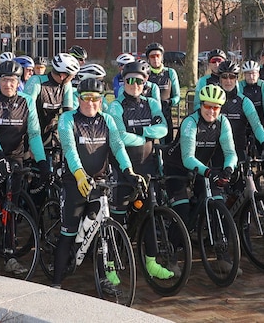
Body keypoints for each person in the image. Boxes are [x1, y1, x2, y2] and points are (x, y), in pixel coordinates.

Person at [51, 78, 138, 290]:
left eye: (96, 99)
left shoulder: (107, 120)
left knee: (101, 233)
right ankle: (55, 281)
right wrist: (80, 174)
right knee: (68, 234)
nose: (91, 103)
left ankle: (103, 278)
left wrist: (129, 171)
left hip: (99, 183)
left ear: (101, 101)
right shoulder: (67, 119)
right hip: (74, 182)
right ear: (79, 99)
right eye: (86, 99)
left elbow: (118, 147)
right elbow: (70, 149)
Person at [0, 60, 49, 274]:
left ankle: (10, 255)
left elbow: (34, 135)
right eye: (5, 80)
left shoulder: (26, 101)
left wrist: (43, 162)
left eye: (13, 80)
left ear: (19, 82)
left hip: (15, 157)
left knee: (12, 204)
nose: (9, 84)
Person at [104, 62, 171, 280]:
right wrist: (147, 135)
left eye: (139, 81)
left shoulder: (152, 103)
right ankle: (111, 264)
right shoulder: (116, 106)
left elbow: (163, 128)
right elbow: (120, 136)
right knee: (119, 215)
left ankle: (151, 262)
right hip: (124, 168)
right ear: (123, 81)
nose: (135, 85)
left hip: (148, 165)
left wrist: (139, 131)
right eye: (130, 80)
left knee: (150, 213)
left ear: (145, 83)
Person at [173, 84, 237, 234]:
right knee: (182, 213)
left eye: (216, 108)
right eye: (207, 106)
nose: (211, 111)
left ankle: (217, 242)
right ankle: (173, 249)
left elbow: (230, 153)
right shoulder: (190, 122)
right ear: (201, 105)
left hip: (201, 169)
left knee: (218, 203)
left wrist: (228, 169)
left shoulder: (223, 122)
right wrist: (209, 172)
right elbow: (188, 158)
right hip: (178, 167)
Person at [213, 60, 264, 160]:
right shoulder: (212, 100)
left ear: (236, 79)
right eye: (224, 77)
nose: (228, 81)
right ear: (220, 79)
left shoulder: (244, 101)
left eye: (232, 77)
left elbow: (256, 126)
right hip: (215, 151)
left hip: (238, 150)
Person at [22, 52, 79, 146]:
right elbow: (26, 112)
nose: (72, 78)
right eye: (72, 76)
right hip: (30, 131)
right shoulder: (36, 81)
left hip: (50, 132)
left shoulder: (66, 85)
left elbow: (67, 113)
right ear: (62, 76)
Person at [143, 42, 181, 135]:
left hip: (166, 113)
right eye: (152, 56)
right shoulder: (145, 73)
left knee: (167, 145)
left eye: (158, 55)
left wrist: (170, 102)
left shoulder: (170, 73)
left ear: (162, 57)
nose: (155, 59)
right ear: (148, 59)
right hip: (148, 114)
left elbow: (177, 96)